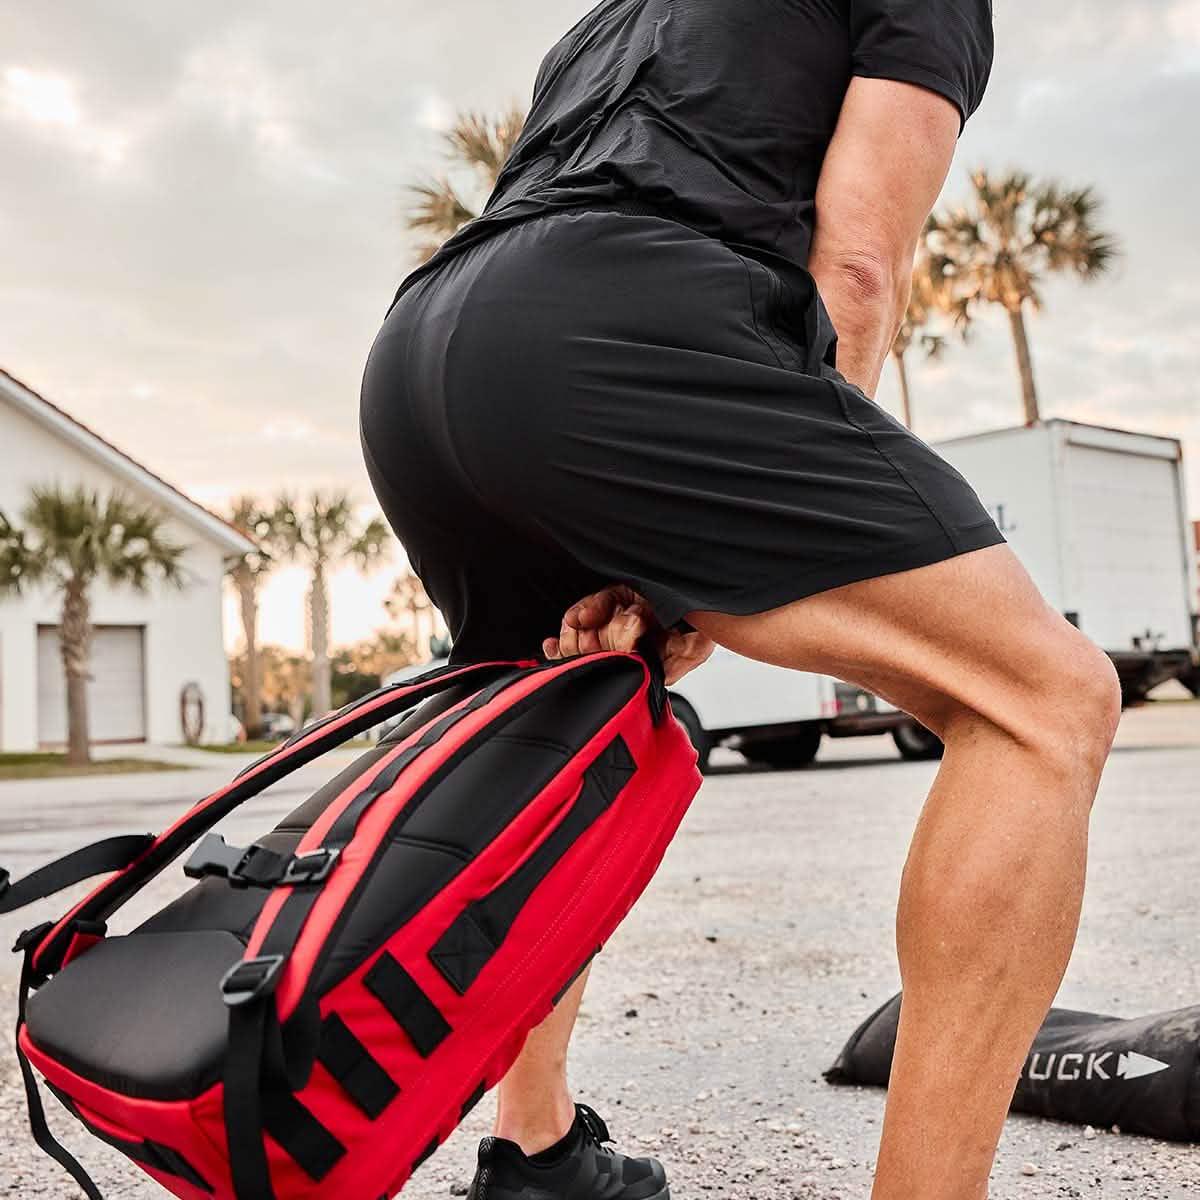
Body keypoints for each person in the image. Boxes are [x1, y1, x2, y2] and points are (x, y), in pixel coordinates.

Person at [359, 1, 1122, 1197]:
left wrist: (664, 575)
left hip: (426, 359)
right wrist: (729, 557)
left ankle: (538, 1153)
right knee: (1048, 699)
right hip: (614, 333)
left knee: (569, 726)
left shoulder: (618, 14)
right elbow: (859, 267)